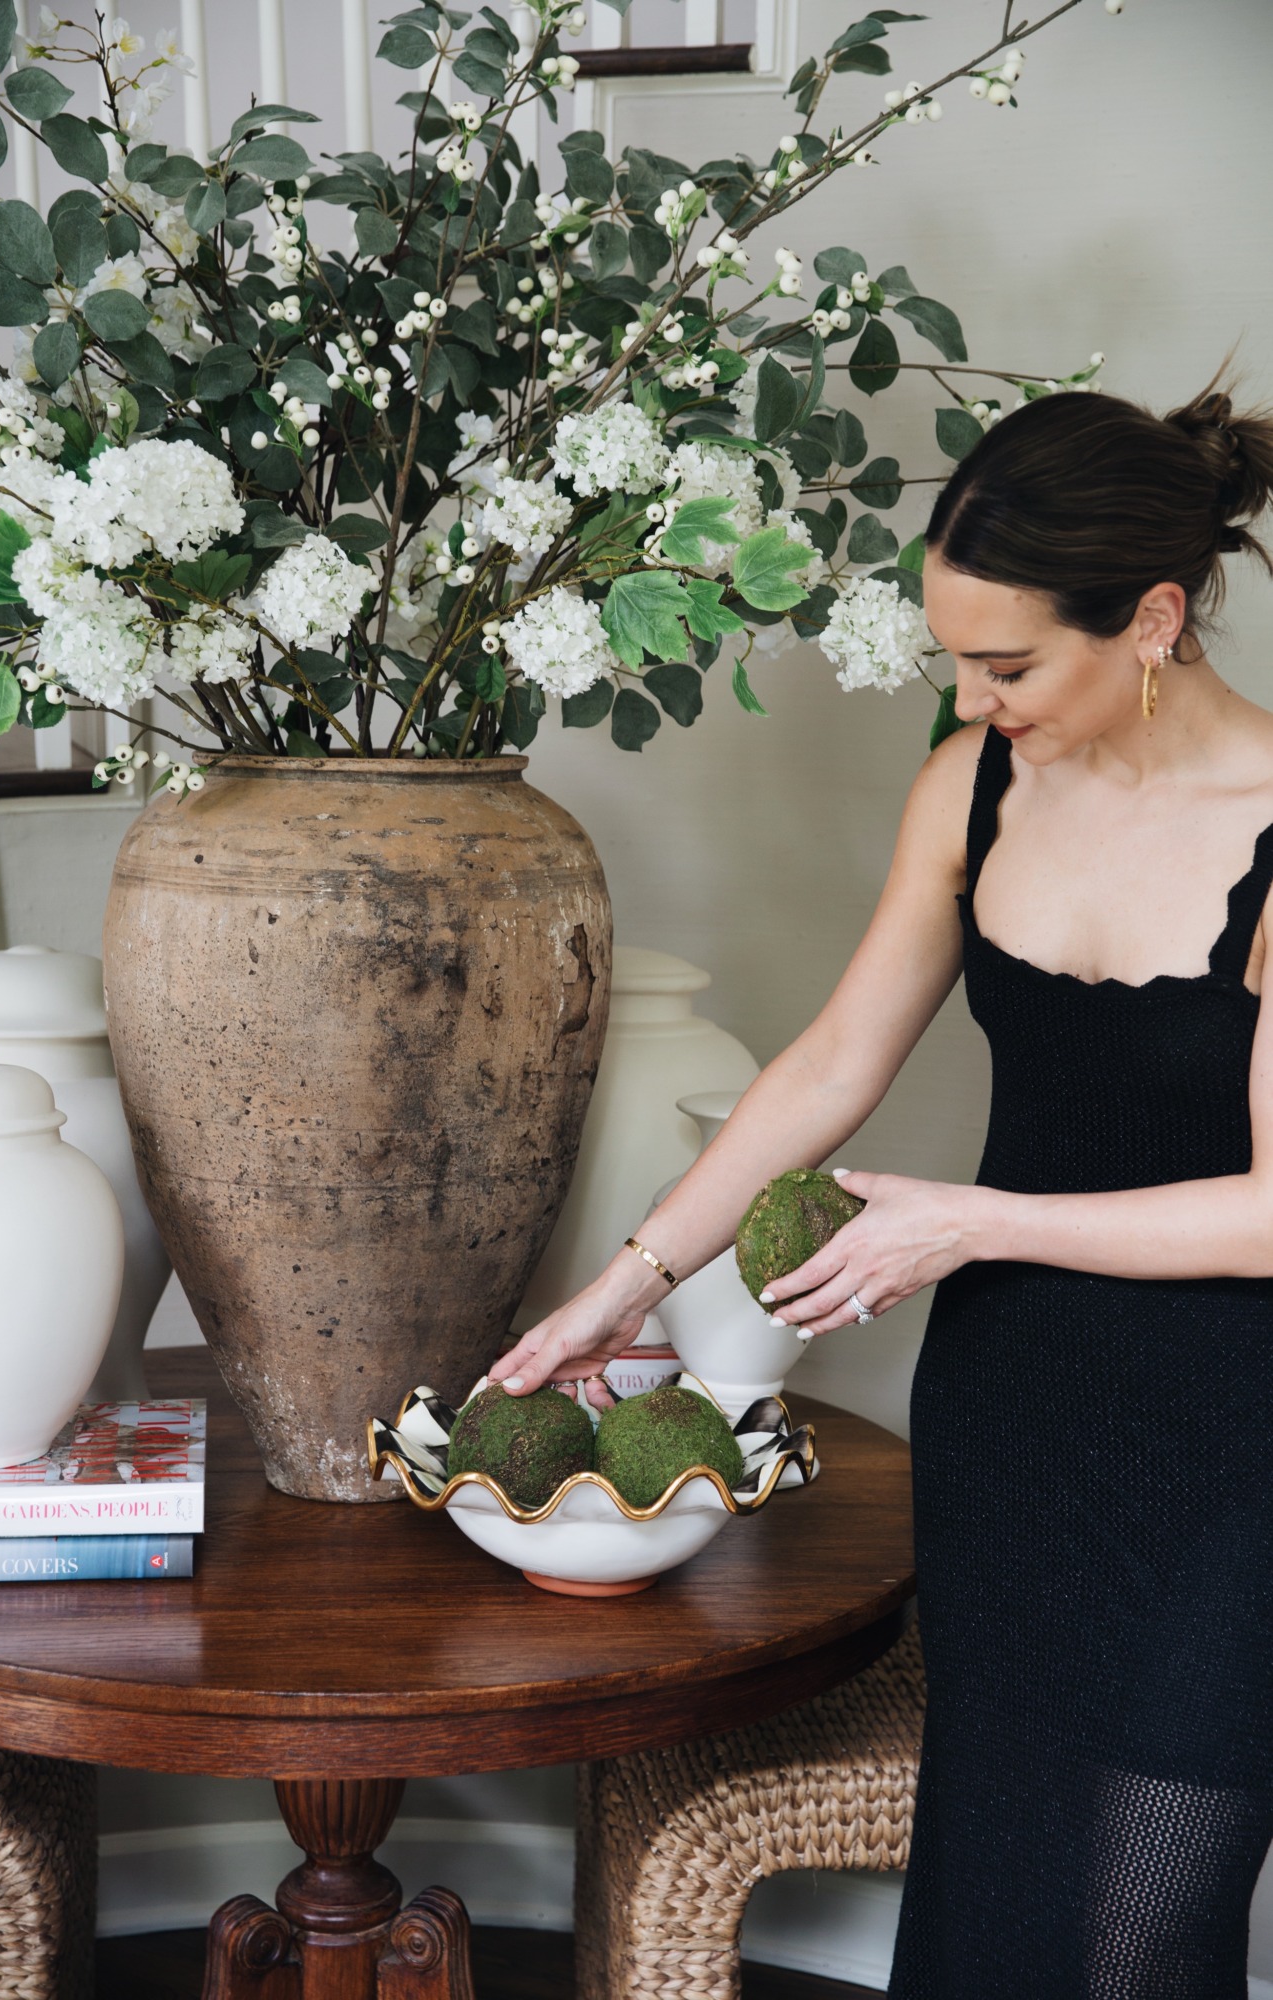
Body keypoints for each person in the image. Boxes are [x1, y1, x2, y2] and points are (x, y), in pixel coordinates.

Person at [491, 375, 1273, 1994]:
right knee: (993, 1886)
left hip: (1236, 1450)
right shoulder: (973, 790)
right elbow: (831, 1063)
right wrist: (621, 1284)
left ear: (1153, 619)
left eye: (1009, 665)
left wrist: (972, 1221)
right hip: (1019, 1424)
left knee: (1143, 1936)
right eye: (957, 664)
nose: (980, 701)